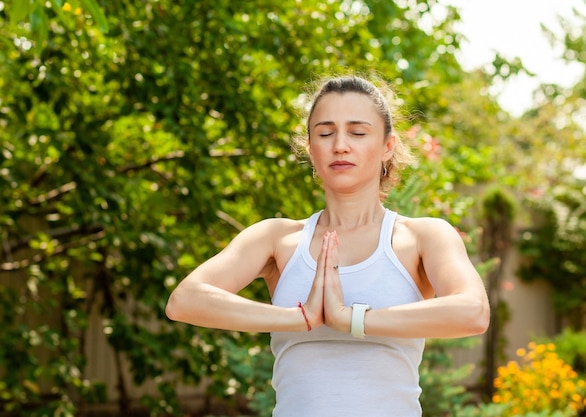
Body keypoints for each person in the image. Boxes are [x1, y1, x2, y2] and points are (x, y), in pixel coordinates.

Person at [166, 75, 490, 417]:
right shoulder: (277, 239)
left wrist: (351, 319)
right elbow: (184, 301)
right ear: (310, 147)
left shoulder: (421, 237)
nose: (340, 145)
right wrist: (297, 318)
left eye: (358, 132)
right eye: (325, 133)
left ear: (388, 146)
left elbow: (473, 312)